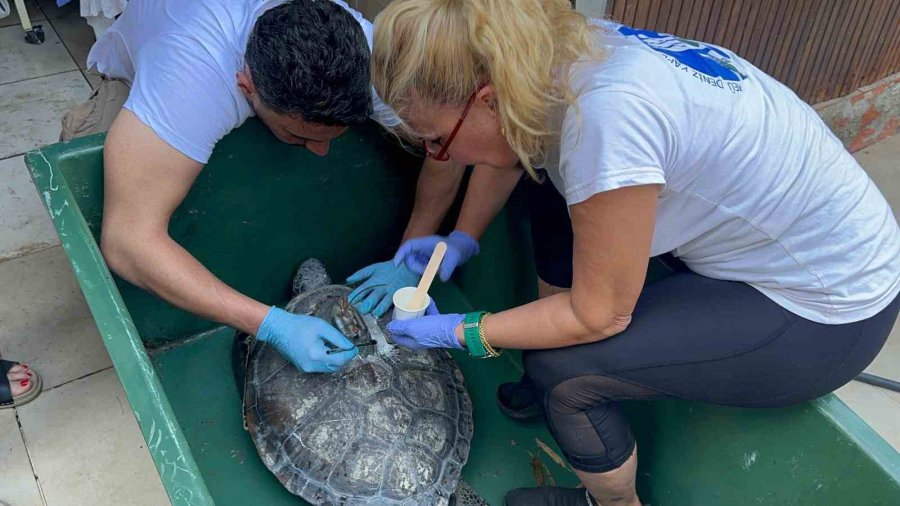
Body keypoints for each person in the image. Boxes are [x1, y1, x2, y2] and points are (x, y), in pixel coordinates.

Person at [347, 1, 900, 504]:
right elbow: (515, 147)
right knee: (546, 180)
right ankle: (545, 369)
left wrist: (465, 331)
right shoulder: (559, 57)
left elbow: (599, 314)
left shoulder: (608, 122)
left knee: (565, 369)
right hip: (798, 241)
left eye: (435, 141)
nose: (432, 152)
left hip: (826, 309)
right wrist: (462, 237)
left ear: (487, 100)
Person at [56, 0, 452, 375]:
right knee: (98, 196)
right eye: (303, 136)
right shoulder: (190, 81)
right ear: (247, 87)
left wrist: (412, 253)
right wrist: (271, 324)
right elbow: (127, 242)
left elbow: (446, 145)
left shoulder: (364, 56)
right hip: (140, 78)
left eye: (335, 135)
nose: (322, 152)